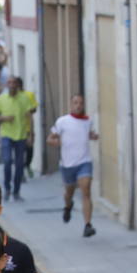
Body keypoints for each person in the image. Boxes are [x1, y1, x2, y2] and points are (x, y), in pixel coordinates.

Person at [46, 94, 99, 236]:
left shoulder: (88, 121)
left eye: (81, 103)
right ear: (71, 105)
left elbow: (89, 134)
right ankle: (68, 206)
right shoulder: (62, 121)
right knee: (69, 193)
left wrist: (93, 136)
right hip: (68, 165)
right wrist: (56, 142)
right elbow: (50, 138)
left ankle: (88, 225)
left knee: (86, 190)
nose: (78, 105)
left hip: (84, 162)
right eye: (75, 103)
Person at [0, 77, 37, 201]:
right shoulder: (1, 99)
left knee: (19, 165)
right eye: (9, 83)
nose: (12, 85)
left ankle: (16, 191)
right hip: (6, 135)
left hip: (21, 135)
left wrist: (31, 134)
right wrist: (4, 119)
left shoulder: (25, 98)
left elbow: (29, 118)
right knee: (6, 162)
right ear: (7, 84)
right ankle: (7, 189)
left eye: (14, 83)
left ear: (18, 85)